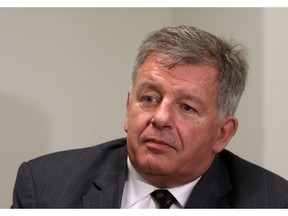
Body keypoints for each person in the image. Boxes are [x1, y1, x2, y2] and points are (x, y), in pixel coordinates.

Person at [12, 25, 288, 208]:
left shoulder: (273, 202)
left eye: (187, 108)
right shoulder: (45, 186)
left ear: (222, 133)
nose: (161, 118)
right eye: (149, 99)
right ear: (127, 107)